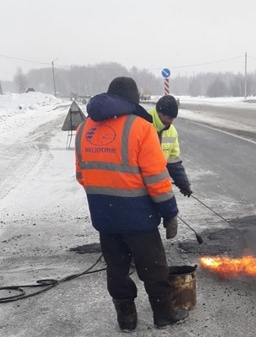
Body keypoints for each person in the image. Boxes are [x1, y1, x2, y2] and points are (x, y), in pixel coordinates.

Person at [75, 77, 189, 331]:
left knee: (116, 269)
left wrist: (107, 197)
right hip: (138, 218)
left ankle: (126, 320)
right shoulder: (140, 127)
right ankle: (164, 315)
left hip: (104, 217)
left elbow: (81, 175)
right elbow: (157, 180)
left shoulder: (84, 128)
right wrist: (169, 212)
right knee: (154, 268)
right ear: (134, 100)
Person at [148, 95, 193, 198]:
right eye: (169, 118)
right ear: (160, 113)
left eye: (173, 118)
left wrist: (183, 184)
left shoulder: (172, 131)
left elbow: (173, 162)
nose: (171, 122)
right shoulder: (143, 123)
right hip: (140, 185)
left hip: (159, 184)